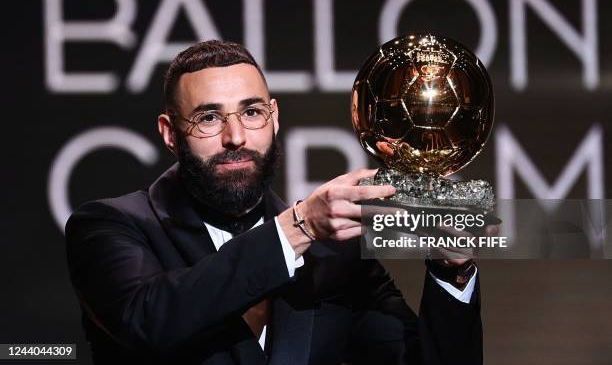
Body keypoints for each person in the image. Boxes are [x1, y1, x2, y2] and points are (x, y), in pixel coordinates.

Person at [65, 40, 483, 365]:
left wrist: (452, 273)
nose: (236, 138)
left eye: (252, 112)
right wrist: (299, 227)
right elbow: (149, 321)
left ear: (275, 117)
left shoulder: (335, 256)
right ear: (170, 132)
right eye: (209, 118)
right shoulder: (110, 226)